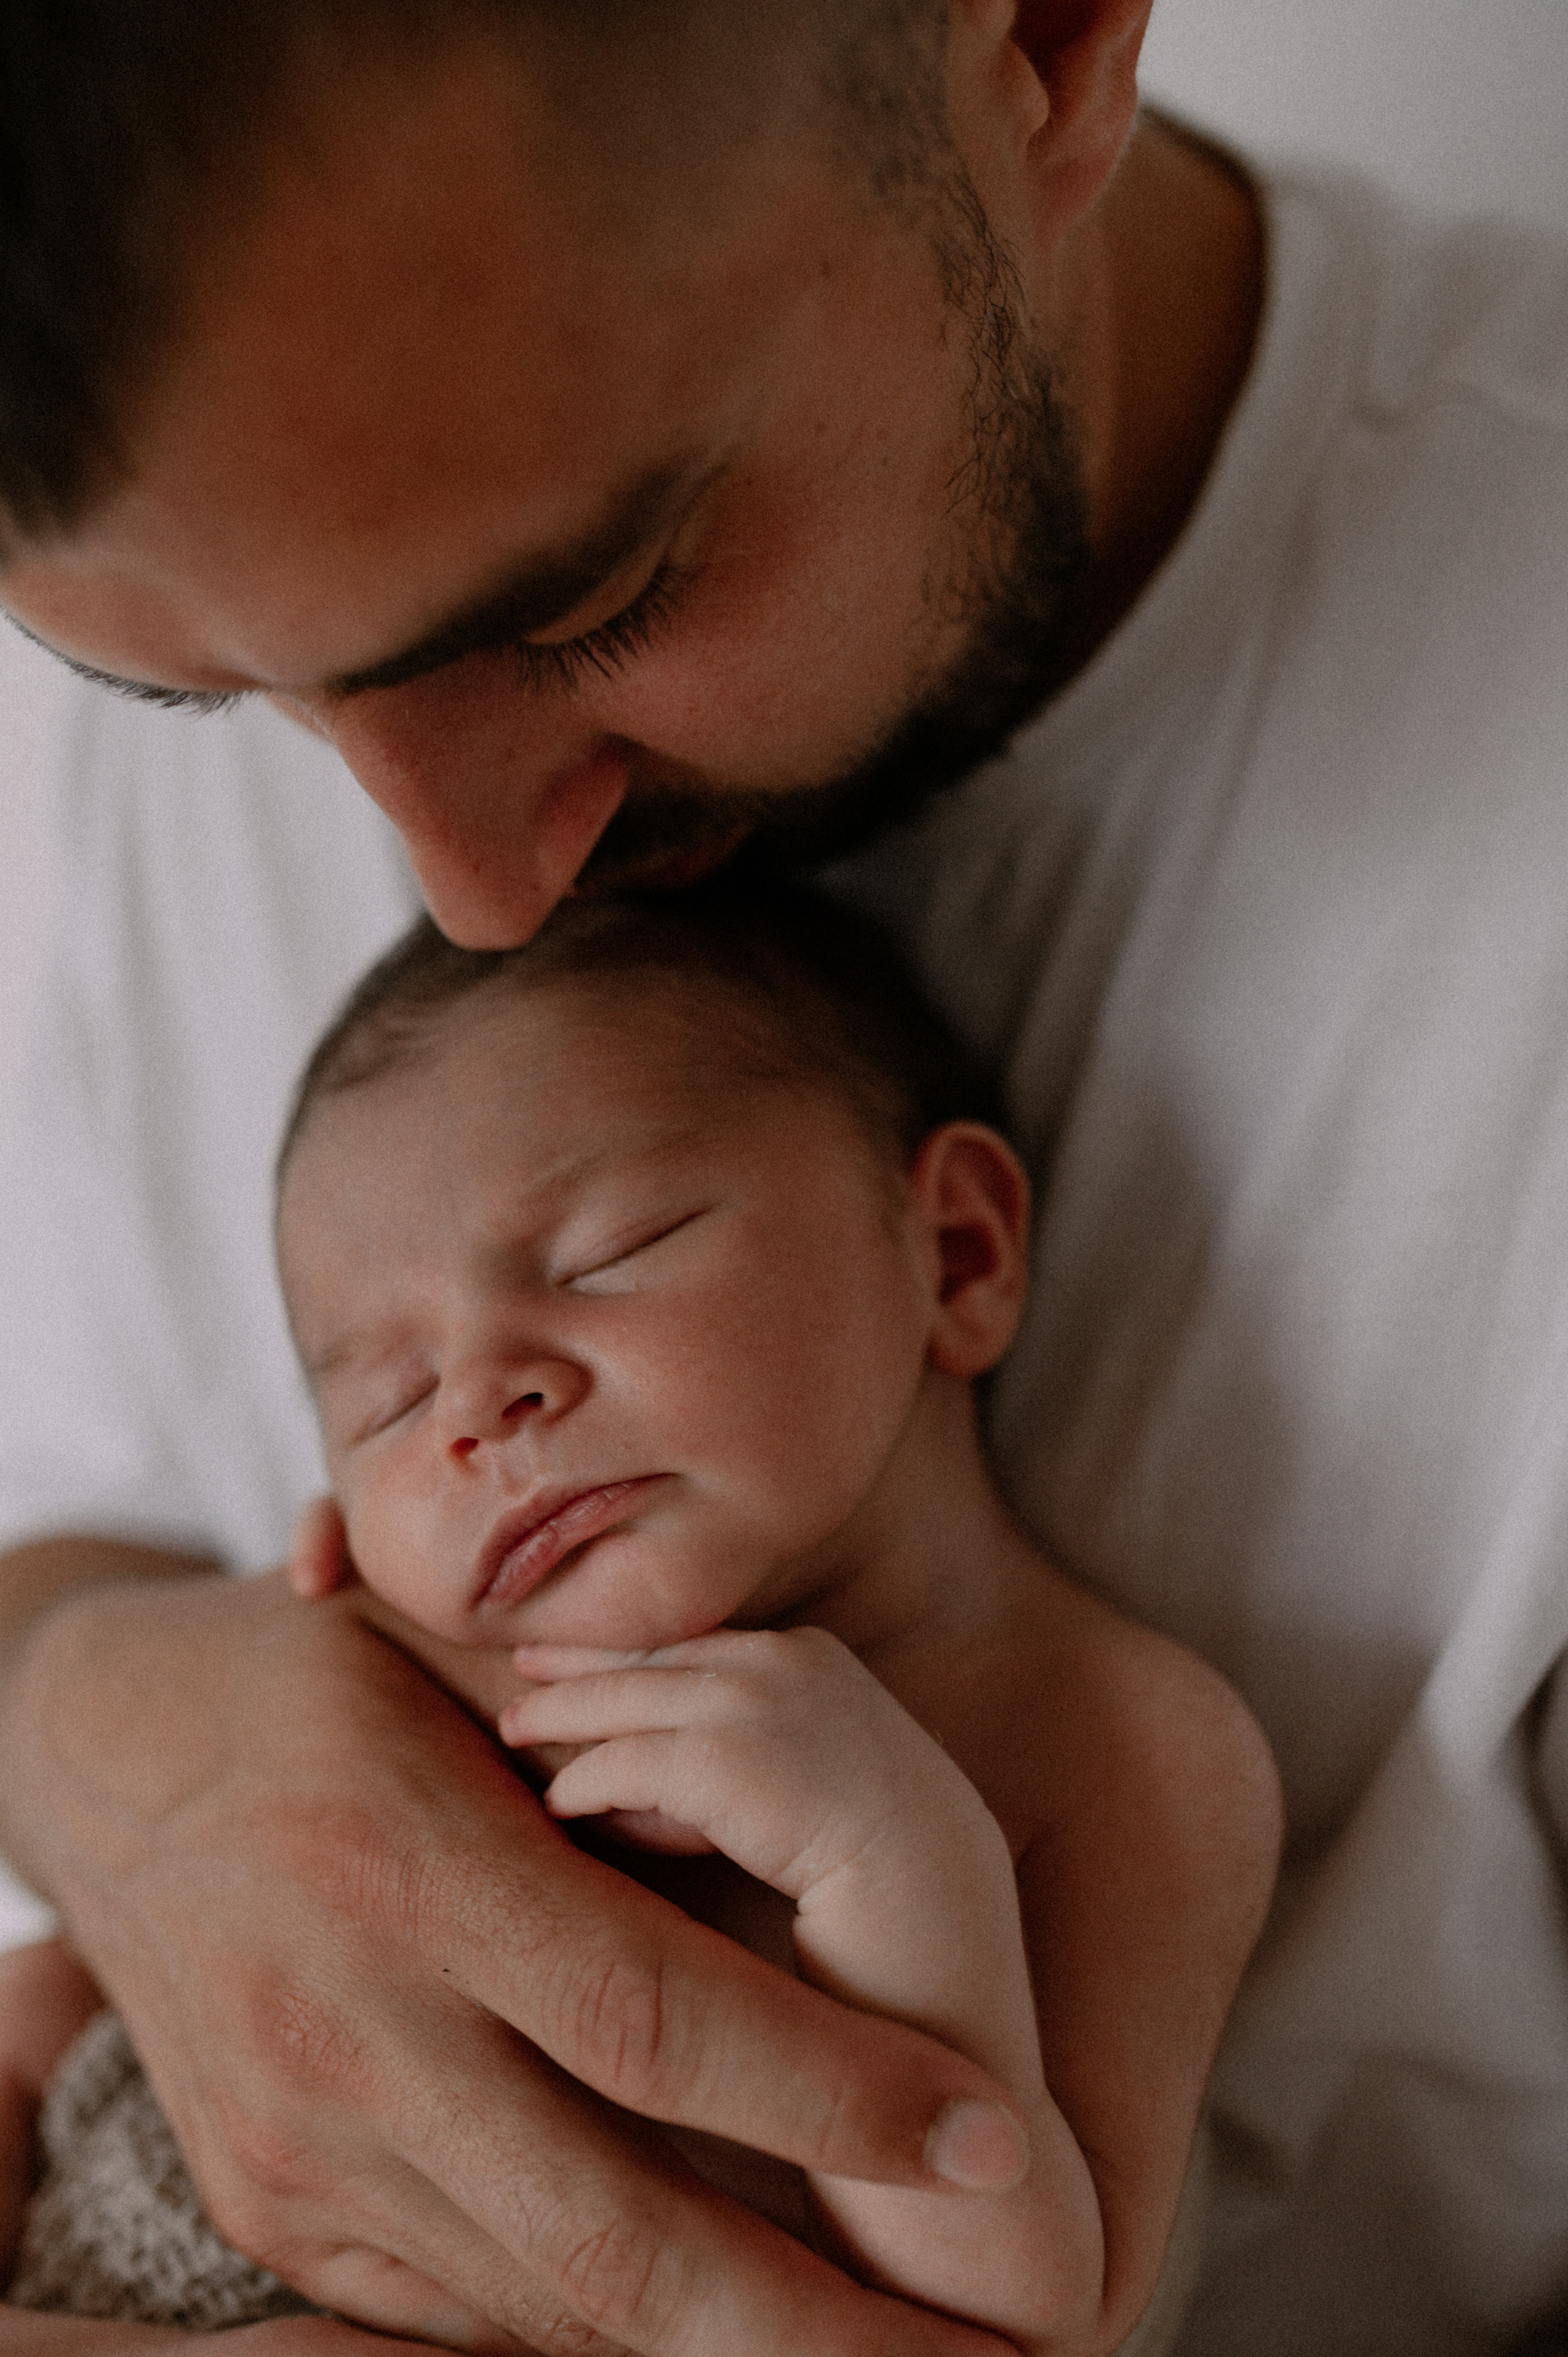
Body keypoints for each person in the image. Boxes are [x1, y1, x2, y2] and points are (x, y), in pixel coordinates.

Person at [1, 1, 1567, 2351]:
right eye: (218, 703)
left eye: (588, 598)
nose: (466, 890)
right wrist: (105, 1726)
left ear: (1036, 36)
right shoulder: (205, 523)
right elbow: (73, 1505)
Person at [0, 890, 1282, 2348]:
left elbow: (1040, 2319)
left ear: (957, 1251)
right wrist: (334, 1620)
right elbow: (144, 1939)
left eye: (606, 1256)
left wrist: (887, 1861)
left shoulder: (1118, 1742)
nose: (478, 1408)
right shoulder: (437, 1651)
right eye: (388, 1398)